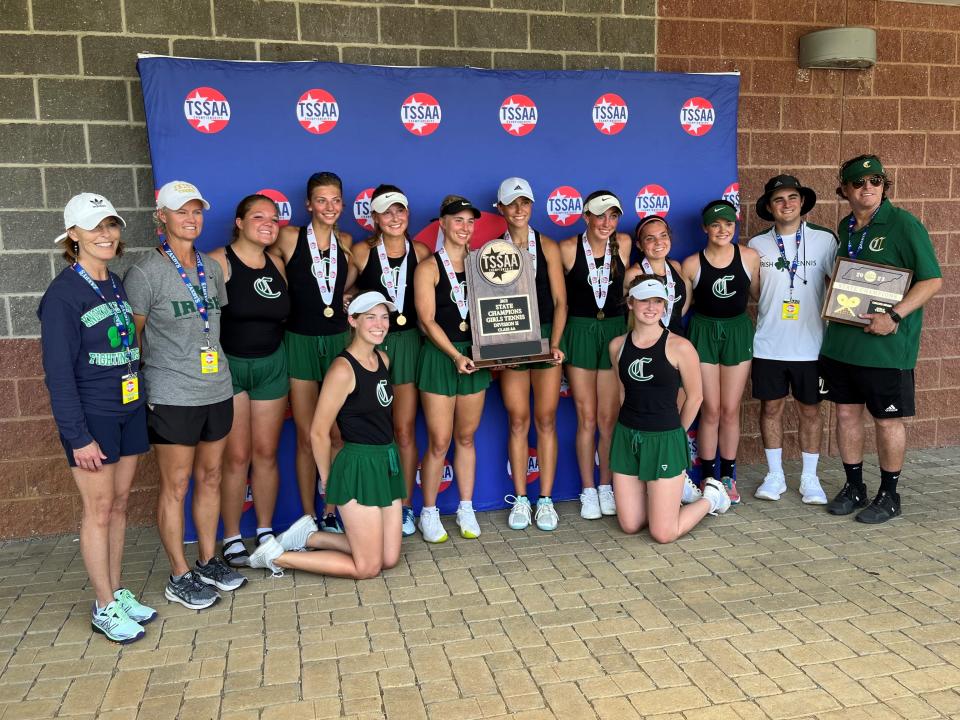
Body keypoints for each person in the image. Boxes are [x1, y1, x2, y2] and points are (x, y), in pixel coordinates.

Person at [125, 181, 246, 610]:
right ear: (162, 218)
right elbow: (133, 338)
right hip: (172, 393)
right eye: (181, 212)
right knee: (176, 485)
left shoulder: (212, 268)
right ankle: (179, 574)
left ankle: (208, 559)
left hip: (217, 387)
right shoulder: (144, 273)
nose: (191, 219)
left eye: (196, 211)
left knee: (210, 478)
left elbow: (211, 322)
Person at [39, 193, 155, 643]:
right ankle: (103, 605)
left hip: (127, 408)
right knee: (99, 509)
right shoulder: (63, 294)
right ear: (73, 235)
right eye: (94, 227)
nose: (105, 234)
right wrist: (78, 436)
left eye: (111, 225)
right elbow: (58, 375)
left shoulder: (114, 283)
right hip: (92, 417)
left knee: (120, 505)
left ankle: (117, 590)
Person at [820, 155, 942, 523]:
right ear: (844, 190)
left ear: (884, 186)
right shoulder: (846, 226)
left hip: (886, 349)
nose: (867, 188)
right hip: (842, 343)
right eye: (858, 182)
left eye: (875, 181)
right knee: (845, 415)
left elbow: (932, 280)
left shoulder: (904, 224)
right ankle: (854, 486)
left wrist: (894, 316)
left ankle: (889, 495)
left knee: (888, 422)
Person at [249, 292, 404, 578]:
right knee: (368, 567)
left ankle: (310, 538)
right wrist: (328, 478)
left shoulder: (383, 358)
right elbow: (318, 431)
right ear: (353, 321)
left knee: (389, 557)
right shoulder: (342, 369)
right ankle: (277, 557)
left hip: (386, 462)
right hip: (357, 466)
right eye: (370, 317)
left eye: (384, 317)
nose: (380, 324)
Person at [608, 276, 731, 541]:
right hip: (627, 437)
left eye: (658, 302)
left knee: (663, 533)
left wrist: (675, 435)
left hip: (665, 439)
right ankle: (670, 494)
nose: (651, 308)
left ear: (665, 306)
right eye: (644, 300)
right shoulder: (617, 346)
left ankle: (712, 496)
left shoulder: (680, 347)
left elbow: (695, 397)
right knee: (630, 525)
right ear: (630, 303)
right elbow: (622, 391)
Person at [271, 171, 357, 534]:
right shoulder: (288, 238)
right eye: (321, 200)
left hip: (338, 340)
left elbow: (347, 284)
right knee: (308, 436)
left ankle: (333, 511)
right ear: (308, 204)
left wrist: (346, 297)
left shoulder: (348, 240)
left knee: (337, 434)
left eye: (335, 200)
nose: (329, 207)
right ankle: (308, 518)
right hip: (300, 340)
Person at [207, 194, 290, 566]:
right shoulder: (218, 261)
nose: (268, 223)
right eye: (259, 216)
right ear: (239, 222)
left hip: (271, 365)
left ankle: (265, 529)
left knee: (266, 454)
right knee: (237, 457)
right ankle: (231, 535)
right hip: (233, 368)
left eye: (273, 218)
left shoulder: (276, 261)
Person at [748, 176, 836, 504]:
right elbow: (756, 291)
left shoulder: (825, 240)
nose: (786, 204)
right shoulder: (757, 245)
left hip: (812, 345)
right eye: (778, 199)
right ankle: (775, 476)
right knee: (770, 408)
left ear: (802, 202)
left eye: (792, 197)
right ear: (769, 208)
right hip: (769, 344)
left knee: (810, 411)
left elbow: (839, 283)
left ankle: (809, 479)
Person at [351, 185, 430, 538]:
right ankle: (371, 501)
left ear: (407, 214)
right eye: (387, 212)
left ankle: (405, 505)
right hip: (374, 346)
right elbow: (344, 296)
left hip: (410, 342)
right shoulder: (361, 252)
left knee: (403, 429)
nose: (394, 217)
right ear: (375, 218)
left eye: (400, 210)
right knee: (372, 429)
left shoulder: (423, 251)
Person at [413, 196, 492, 542]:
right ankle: (428, 511)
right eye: (457, 220)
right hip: (440, 357)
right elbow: (427, 320)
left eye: (469, 221)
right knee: (439, 440)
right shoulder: (428, 267)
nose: (464, 227)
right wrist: (454, 356)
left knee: (466, 437)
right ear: (442, 224)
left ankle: (466, 506)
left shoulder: (482, 265)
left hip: (475, 356)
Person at [494, 178, 567, 532]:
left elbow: (560, 302)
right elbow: (488, 306)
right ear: (501, 209)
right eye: (512, 204)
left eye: (525, 202)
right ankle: (521, 498)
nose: (519, 209)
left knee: (547, 419)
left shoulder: (548, 246)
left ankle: (547, 500)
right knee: (518, 419)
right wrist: (498, 347)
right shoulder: (492, 250)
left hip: (544, 340)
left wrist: (554, 342)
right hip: (511, 343)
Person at [681, 200, 760, 504]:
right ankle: (709, 476)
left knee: (729, 408)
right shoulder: (692, 264)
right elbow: (684, 308)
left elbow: (759, 297)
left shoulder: (750, 257)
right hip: (704, 332)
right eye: (716, 224)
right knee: (710, 410)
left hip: (737, 331)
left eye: (728, 224)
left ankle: (728, 474)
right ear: (705, 228)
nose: (723, 230)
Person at [559, 191, 631, 520]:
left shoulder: (626, 244)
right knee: (586, 417)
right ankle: (588, 489)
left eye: (613, 216)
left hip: (615, 333)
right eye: (600, 216)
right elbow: (555, 298)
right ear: (585, 216)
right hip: (580, 331)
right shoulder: (567, 248)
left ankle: (606, 485)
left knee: (608, 419)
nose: (607, 223)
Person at [624, 215, 691, 336]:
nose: (658, 242)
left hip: (675, 339)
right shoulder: (633, 274)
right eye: (650, 238)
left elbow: (683, 305)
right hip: (644, 345)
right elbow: (622, 312)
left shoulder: (676, 266)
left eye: (663, 235)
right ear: (639, 245)